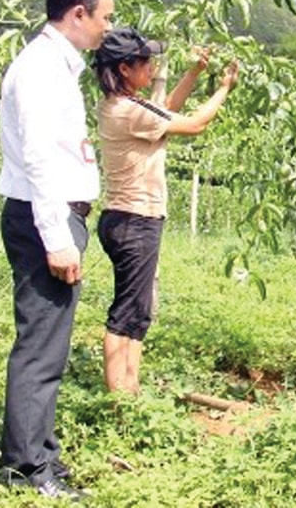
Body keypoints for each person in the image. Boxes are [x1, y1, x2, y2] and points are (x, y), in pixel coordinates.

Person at [0, 0, 114, 500]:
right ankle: (25, 468)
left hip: (52, 214)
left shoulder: (56, 66)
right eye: (104, 18)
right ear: (78, 13)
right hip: (45, 217)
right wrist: (58, 238)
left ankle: (38, 453)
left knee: (48, 343)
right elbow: (41, 161)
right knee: (42, 347)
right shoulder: (42, 70)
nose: (107, 29)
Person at [93, 28, 239, 394]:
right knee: (126, 313)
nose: (152, 67)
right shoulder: (126, 110)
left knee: (137, 311)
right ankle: (119, 401)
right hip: (134, 219)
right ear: (125, 68)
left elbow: (166, 111)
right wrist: (223, 89)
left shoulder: (125, 104)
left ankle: (131, 390)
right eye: (146, 62)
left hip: (129, 219)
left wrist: (194, 72)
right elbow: (194, 124)